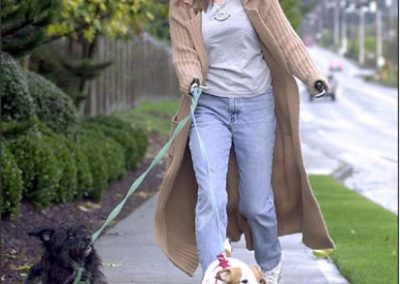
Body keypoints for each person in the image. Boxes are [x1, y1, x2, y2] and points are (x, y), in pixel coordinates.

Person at [155, 0, 335, 283]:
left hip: (256, 105)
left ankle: (270, 262)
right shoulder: (185, 5)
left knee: (256, 204)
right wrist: (191, 78)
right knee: (211, 197)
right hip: (208, 107)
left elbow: (286, 39)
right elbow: (183, 53)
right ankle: (215, 273)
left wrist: (312, 75)